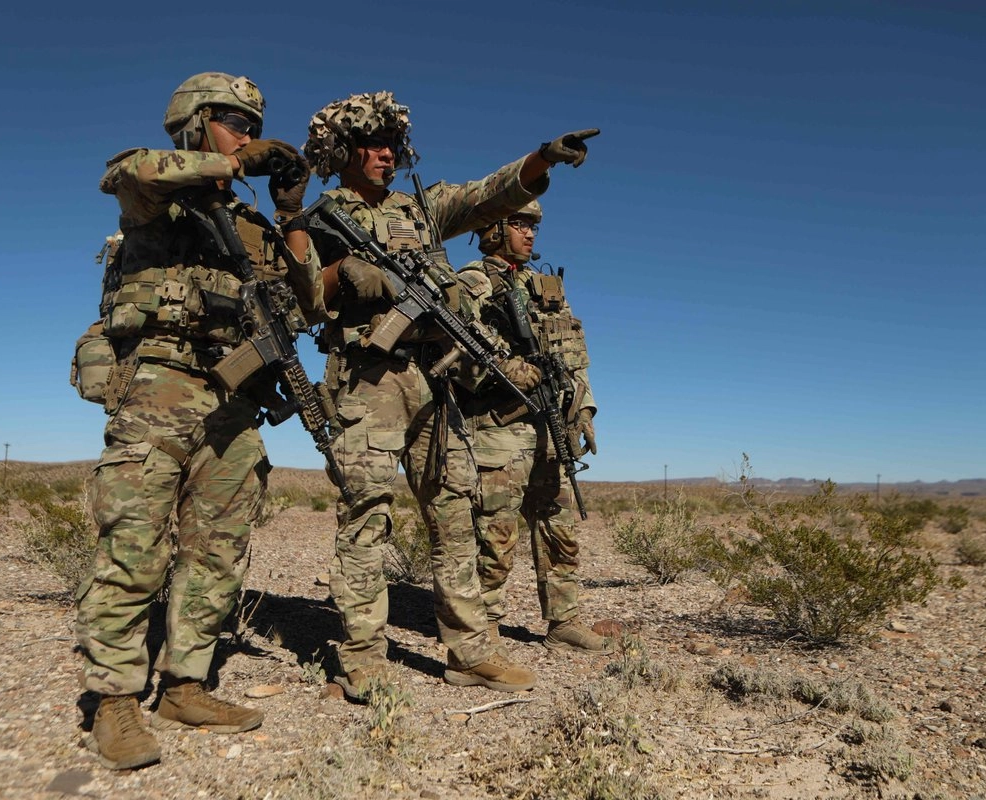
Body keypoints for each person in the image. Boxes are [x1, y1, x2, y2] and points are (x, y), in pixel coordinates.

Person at [301, 91, 598, 697]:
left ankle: (470, 652)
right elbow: (297, 293)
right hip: (369, 379)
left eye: (392, 143)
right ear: (345, 150)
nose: (386, 154)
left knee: (456, 514)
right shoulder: (320, 217)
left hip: (435, 381)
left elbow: (487, 195)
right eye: (372, 143)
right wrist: (341, 275)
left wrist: (541, 159)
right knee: (367, 515)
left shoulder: (421, 210)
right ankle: (362, 656)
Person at [75, 72, 322, 770]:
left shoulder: (252, 227)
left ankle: (186, 683)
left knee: (217, 549)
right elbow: (127, 172)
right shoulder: (156, 194)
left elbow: (309, 301)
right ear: (192, 123)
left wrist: (292, 215)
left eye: (253, 128)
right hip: (159, 387)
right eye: (233, 122)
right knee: (134, 546)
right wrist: (233, 164)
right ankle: (114, 699)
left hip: (233, 401)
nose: (246, 136)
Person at [457, 202, 612, 654]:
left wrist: (584, 409)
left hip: (551, 425)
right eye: (520, 224)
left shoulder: (546, 288)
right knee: (496, 533)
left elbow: (573, 355)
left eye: (534, 227)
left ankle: (563, 621)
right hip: (498, 429)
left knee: (559, 529)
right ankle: (484, 626)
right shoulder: (471, 283)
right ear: (493, 229)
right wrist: (506, 371)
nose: (530, 234)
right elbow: (454, 352)